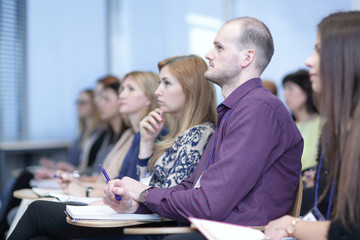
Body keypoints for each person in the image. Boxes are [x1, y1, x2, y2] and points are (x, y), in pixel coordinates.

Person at [102, 15, 302, 233]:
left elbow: (208, 204)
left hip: (237, 233)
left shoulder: (258, 109)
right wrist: (136, 204)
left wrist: (144, 193)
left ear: (246, 58)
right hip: (211, 229)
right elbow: (192, 186)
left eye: (219, 47)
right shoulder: (235, 110)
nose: (208, 54)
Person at [8, 55, 217, 240]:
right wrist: (145, 142)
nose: (158, 91)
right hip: (137, 216)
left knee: (36, 210)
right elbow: (146, 184)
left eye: (166, 83)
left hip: (146, 224)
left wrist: (95, 193)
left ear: (190, 89)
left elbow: (161, 196)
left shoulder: (199, 133)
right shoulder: (176, 135)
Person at [264, 11, 360, 240]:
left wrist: (292, 226)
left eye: (319, 50)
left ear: (348, 57)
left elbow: (350, 231)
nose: (309, 61)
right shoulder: (334, 131)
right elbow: (325, 212)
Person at [60, 71, 167, 197]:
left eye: (131, 89)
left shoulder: (151, 134)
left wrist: (86, 191)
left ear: (149, 98)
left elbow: (131, 187)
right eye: (122, 89)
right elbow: (118, 180)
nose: (122, 95)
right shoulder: (131, 134)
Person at [282, 69, 321, 174]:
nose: (285, 94)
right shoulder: (285, 127)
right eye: (284, 89)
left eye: (290, 88)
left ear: (306, 89)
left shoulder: (324, 124)